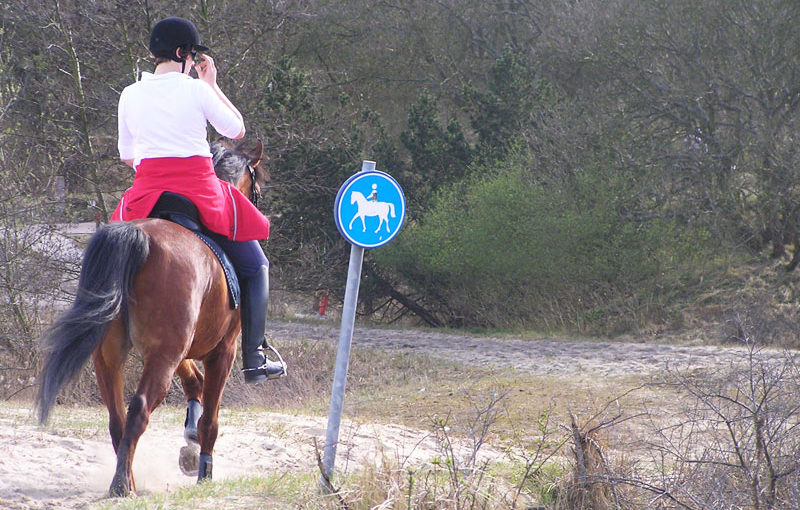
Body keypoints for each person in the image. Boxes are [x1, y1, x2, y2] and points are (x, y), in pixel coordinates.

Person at [112, 17, 284, 383]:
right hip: (198, 189)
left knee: (105, 252)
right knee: (256, 265)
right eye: (191, 56)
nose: (192, 61)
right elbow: (236, 129)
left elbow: (128, 155)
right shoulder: (195, 90)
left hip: (146, 194)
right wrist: (212, 85)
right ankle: (253, 357)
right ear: (181, 54)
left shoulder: (129, 94)